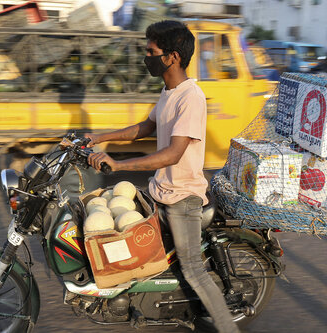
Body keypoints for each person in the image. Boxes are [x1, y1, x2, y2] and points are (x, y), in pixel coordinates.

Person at [85, 20, 240, 333]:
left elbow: (173, 154)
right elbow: (145, 127)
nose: (146, 57)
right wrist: (99, 136)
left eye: (151, 51)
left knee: (194, 270)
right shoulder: (169, 91)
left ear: (172, 57)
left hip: (182, 197)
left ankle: (229, 328)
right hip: (161, 189)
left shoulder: (191, 97)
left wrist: (117, 165)